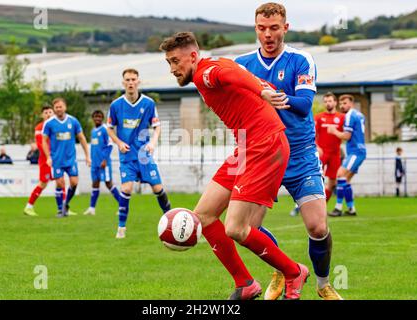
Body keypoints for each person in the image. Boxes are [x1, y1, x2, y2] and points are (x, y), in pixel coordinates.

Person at [160, 31, 309, 300]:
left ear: (193, 56)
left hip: (265, 146)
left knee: (235, 228)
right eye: (169, 63)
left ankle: (293, 272)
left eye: (175, 61)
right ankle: (245, 284)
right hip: (246, 147)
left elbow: (232, 76)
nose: (172, 69)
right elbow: (236, 72)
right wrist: (262, 88)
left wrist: (262, 91)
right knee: (203, 216)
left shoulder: (207, 73)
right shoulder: (212, 66)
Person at [235, 3, 342, 300]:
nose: (267, 34)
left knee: (318, 226)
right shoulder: (242, 64)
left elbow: (305, 104)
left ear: (285, 27)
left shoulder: (300, 59)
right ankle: (285, 270)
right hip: (263, 155)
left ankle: (322, 284)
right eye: (261, 28)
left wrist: (265, 96)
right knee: (247, 229)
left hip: (300, 154)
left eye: (273, 28)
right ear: (255, 28)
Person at [107, 68, 171, 239]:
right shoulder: (116, 105)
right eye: (127, 80)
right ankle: (121, 228)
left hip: (144, 155)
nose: (130, 82)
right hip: (127, 157)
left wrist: (152, 142)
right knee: (126, 188)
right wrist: (119, 142)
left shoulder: (148, 103)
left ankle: (172, 221)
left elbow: (157, 127)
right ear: (123, 83)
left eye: (133, 79)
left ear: (138, 82)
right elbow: (110, 129)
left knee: (158, 188)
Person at [42, 98, 91, 218]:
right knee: (60, 183)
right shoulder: (49, 123)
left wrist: (87, 156)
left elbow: (82, 138)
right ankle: (60, 210)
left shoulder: (73, 121)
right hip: (57, 159)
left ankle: (66, 204)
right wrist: (48, 157)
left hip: (70, 159)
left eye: (61, 106)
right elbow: (44, 140)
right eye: (56, 107)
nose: (59, 109)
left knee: (74, 182)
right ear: (54, 109)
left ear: (65, 107)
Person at [328, 94, 367, 217]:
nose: (342, 106)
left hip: (355, 151)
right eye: (341, 103)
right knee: (346, 180)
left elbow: (347, 136)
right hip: (359, 151)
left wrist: (334, 131)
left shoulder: (349, 115)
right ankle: (351, 209)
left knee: (340, 174)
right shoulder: (359, 115)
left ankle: (338, 208)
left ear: (351, 104)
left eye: (345, 103)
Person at [24, 105, 66, 217]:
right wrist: (49, 156)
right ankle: (29, 207)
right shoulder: (39, 128)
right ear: (42, 115)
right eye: (46, 112)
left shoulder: (57, 125)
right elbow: (40, 144)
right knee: (43, 183)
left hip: (56, 159)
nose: (48, 114)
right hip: (45, 160)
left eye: (50, 112)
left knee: (61, 181)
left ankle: (64, 207)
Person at [83, 110, 121, 216]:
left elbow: (109, 145)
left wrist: (104, 160)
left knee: (109, 184)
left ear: (102, 118)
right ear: (93, 118)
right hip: (95, 163)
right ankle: (92, 208)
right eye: (95, 116)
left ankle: (122, 206)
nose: (97, 118)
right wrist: (90, 159)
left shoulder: (105, 129)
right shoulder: (93, 131)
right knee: (95, 184)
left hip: (103, 163)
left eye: (99, 117)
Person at [315, 92, 345, 203]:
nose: (328, 103)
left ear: (335, 102)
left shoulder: (342, 118)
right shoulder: (318, 117)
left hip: (335, 153)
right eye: (326, 101)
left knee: (333, 182)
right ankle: (299, 205)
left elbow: (346, 134)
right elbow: (312, 135)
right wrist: (316, 146)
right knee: (316, 179)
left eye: (330, 101)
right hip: (322, 152)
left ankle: (323, 205)